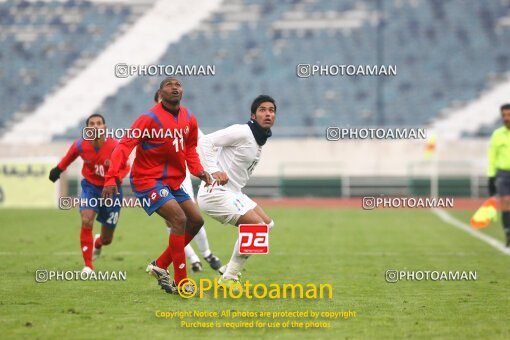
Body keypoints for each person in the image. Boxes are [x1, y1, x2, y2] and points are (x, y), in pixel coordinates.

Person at [102, 77, 226, 294]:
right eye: (169, 85)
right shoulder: (148, 118)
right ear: (160, 93)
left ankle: (160, 265)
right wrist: (111, 178)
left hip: (173, 183)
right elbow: (124, 146)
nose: (175, 87)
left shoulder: (189, 118)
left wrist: (198, 171)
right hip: (147, 180)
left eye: (178, 85)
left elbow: (190, 151)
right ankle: (181, 280)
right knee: (179, 219)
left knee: (196, 221)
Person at [197, 95, 276, 288]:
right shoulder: (242, 131)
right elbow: (205, 142)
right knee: (256, 229)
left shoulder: (259, 140)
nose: (268, 114)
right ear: (253, 115)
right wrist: (213, 170)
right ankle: (229, 277)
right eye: (262, 110)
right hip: (215, 192)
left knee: (267, 225)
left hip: (233, 192)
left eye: (272, 110)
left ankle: (228, 270)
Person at [49, 114, 130, 273]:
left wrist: (114, 179)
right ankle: (88, 266)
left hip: (111, 192)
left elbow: (126, 167)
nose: (95, 126)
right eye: (91, 124)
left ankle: (98, 243)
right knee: (86, 220)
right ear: (87, 129)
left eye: (99, 123)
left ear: (105, 128)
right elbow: (68, 158)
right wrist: (58, 170)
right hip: (90, 188)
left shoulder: (115, 146)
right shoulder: (80, 145)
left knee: (107, 240)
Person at [152, 90, 222, 272]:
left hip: (180, 179)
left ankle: (207, 253)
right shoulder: (150, 123)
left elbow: (204, 143)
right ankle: (192, 259)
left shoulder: (186, 120)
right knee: (173, 221)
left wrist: (207, 168)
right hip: (159, 180)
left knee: (193, 217)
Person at [487, 103, 510, 247]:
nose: (506, 118)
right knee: (506, 203)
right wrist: (491, 176)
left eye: (509, 115)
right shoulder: (497, 134)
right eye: (504, 115)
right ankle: (508, 233)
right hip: (503, 174)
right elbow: (492, 156)